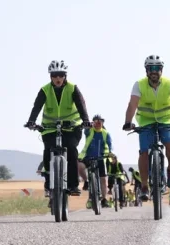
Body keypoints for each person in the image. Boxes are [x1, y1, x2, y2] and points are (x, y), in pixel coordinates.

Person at [122, 55, 170, 201]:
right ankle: (145, 186)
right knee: (144, 152)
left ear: (161, 70)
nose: (154, 71)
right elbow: (132, 104)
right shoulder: (139, 85)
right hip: (146, 121)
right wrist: (128, 122)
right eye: (150, 68)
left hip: (166, 119)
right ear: (146, 70)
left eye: (157, 68)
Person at [25, 60, 90, 196]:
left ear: (65, 76)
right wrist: (31, 121)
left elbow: (81, 105)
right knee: (48, 151)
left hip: (71, 128)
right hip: (49, 128)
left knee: (71, 150)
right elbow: (36, 107)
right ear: (50, 77)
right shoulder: (45, 90)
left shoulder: (73, 88)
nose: (58, 79)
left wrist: (85, 121)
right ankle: (49, 185)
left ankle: (73, 185)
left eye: (61, 75)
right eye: (54, 76)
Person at [78, 114, 113, 208]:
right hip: (88, 157)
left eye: (100, 121)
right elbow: (86, 129)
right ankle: (86, 181)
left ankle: (104, 199)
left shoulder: (105, 133)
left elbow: (110, 146)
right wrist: (88, 124)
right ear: (93, 123)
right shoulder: (89, 131)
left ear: (102, 123)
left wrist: (110, 153)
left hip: (101, 158)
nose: (98, 123)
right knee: (79, 166)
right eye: (96, 121)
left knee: (103, 179)